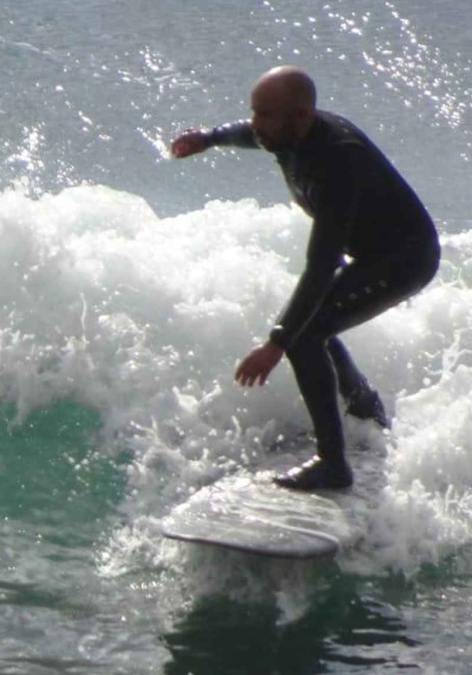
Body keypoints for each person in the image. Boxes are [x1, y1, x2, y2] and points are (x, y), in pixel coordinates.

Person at [170, 66, 440, 490]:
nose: (256, 124)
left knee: (304, 334)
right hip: (372, 253)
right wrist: (210, 138)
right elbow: (251, 133)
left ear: (299, 117)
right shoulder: (289, 131)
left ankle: (333, 464)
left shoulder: (338, 161)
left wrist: (275, 343)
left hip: (404, 260)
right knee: (318, 324)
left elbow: (319, 267)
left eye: (265, 115)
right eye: (254, 112)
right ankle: (365, 410)